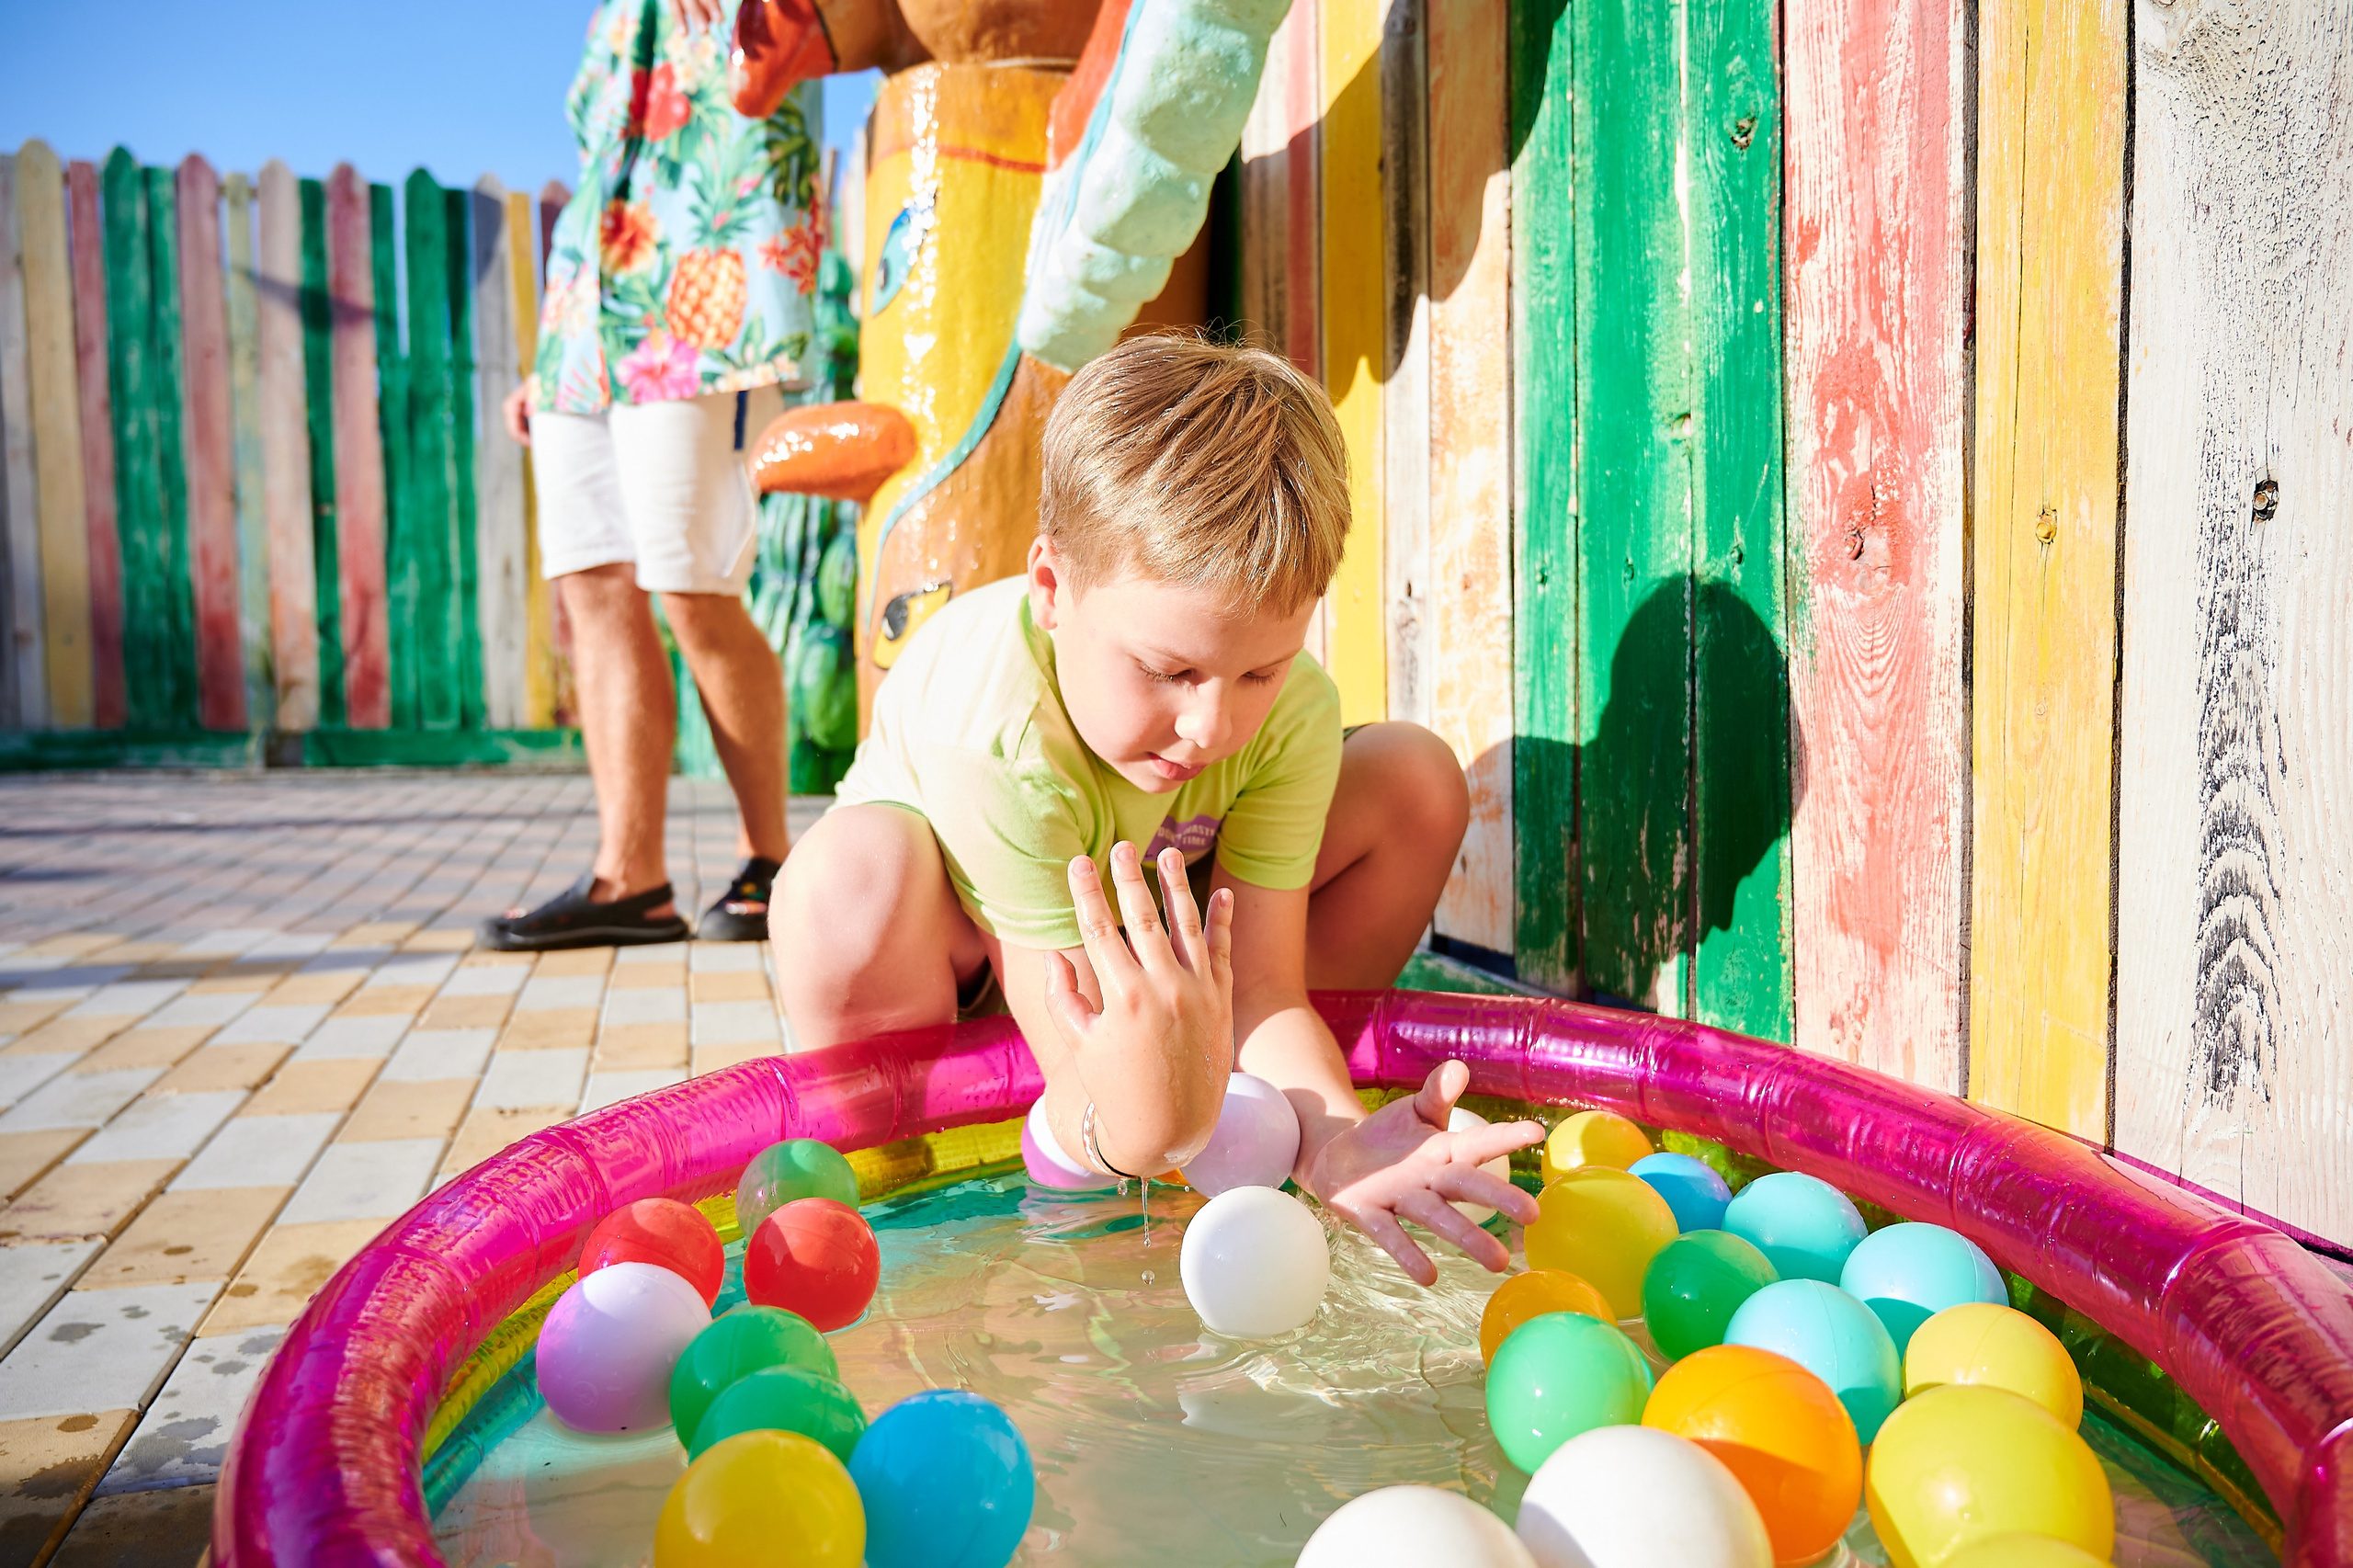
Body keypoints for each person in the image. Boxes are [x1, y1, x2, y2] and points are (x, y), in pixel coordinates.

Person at [774, 335, 1542, 1281]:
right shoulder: (995, 723)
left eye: (1259, 667)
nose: (1212, 723)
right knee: (847, 878)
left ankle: (1261, 1097)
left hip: (1168, 941)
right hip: (968, 956)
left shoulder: (1286, 713)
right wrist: (1152, 1147)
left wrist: (1329, 1138)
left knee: (1416, 778)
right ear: (1052, 589)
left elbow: (1264, 980)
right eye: (1167, 670)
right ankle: (891, 1152)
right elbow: (1066, 1015)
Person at [488, 0, 827, 951]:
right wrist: (553, 353)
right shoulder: (609, 18)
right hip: (584, 320)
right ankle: (629, 877)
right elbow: (607, 172)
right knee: (592, 581)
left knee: (693, 587)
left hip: (710, 305)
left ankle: (773, 861)